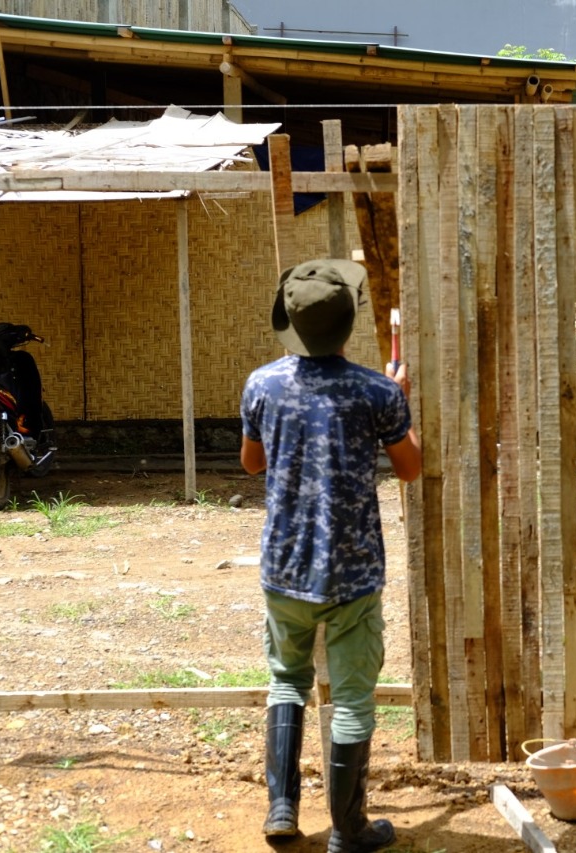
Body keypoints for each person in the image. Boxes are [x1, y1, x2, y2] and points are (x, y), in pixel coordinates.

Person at [240, 258, 421, 853]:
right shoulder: (376, 391)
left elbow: (252, 462)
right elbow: (410, 467)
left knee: (286, 681)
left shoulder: (261, 385)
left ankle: (282, 808)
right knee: (351, 698)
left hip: (284, 567)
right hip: (352, 576)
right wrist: (397, 400)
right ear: (348, 326)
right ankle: (349, 829)